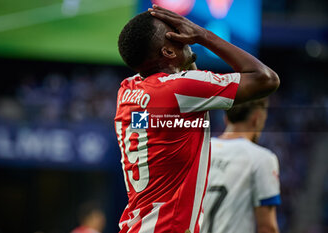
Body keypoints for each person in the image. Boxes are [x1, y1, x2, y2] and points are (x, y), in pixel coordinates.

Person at [115, 4, 280, 233]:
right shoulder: (179, 91)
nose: (185, 34)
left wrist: (184, 53)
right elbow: (266, 79)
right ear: (168, 52)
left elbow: (175, 103)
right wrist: (202, 35)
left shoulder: (127, 91)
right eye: (176, 33)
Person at [201, 98, 281, 233]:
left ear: (226, 118)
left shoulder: (201, 150)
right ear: (257, 118)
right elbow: (267, 227)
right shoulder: (262, 159)